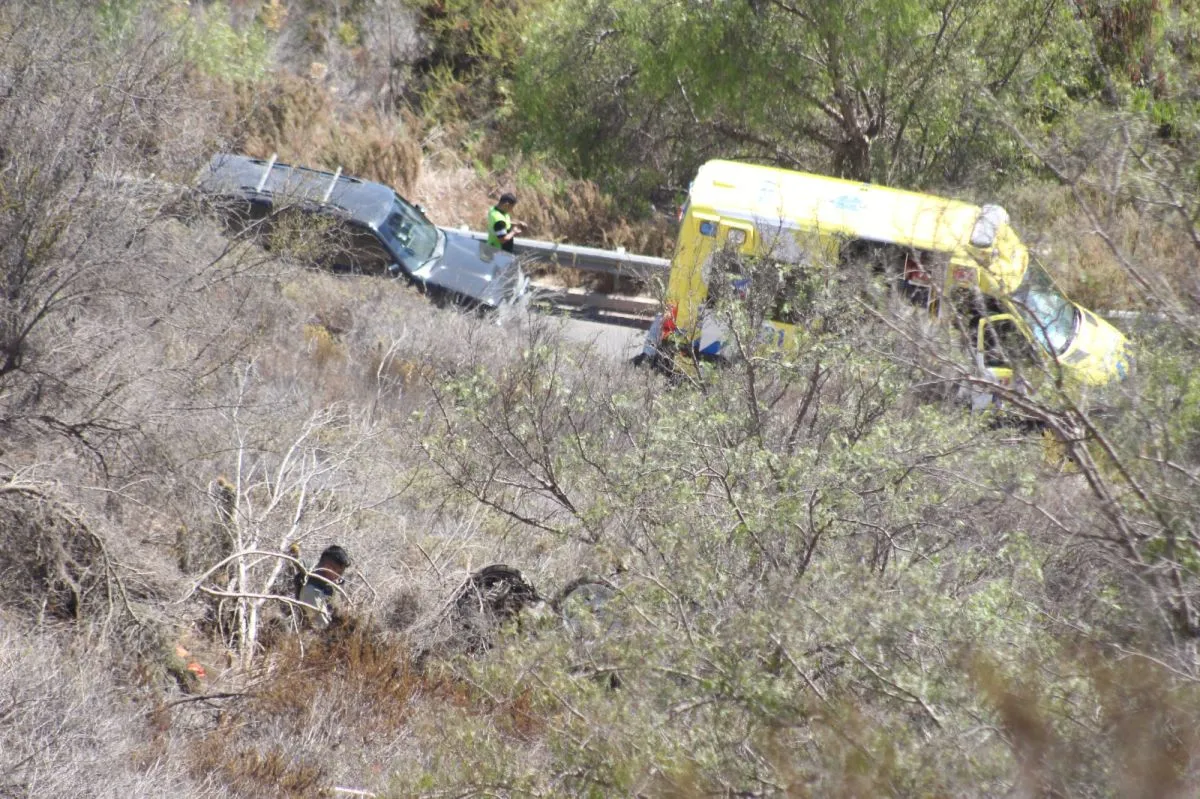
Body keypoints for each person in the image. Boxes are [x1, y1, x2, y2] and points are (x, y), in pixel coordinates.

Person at [294, 544, 351, 629]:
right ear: (328, 567)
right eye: (338, 573)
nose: (339, 577)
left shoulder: (327, 582)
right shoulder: (311, 592)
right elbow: (322, 628)